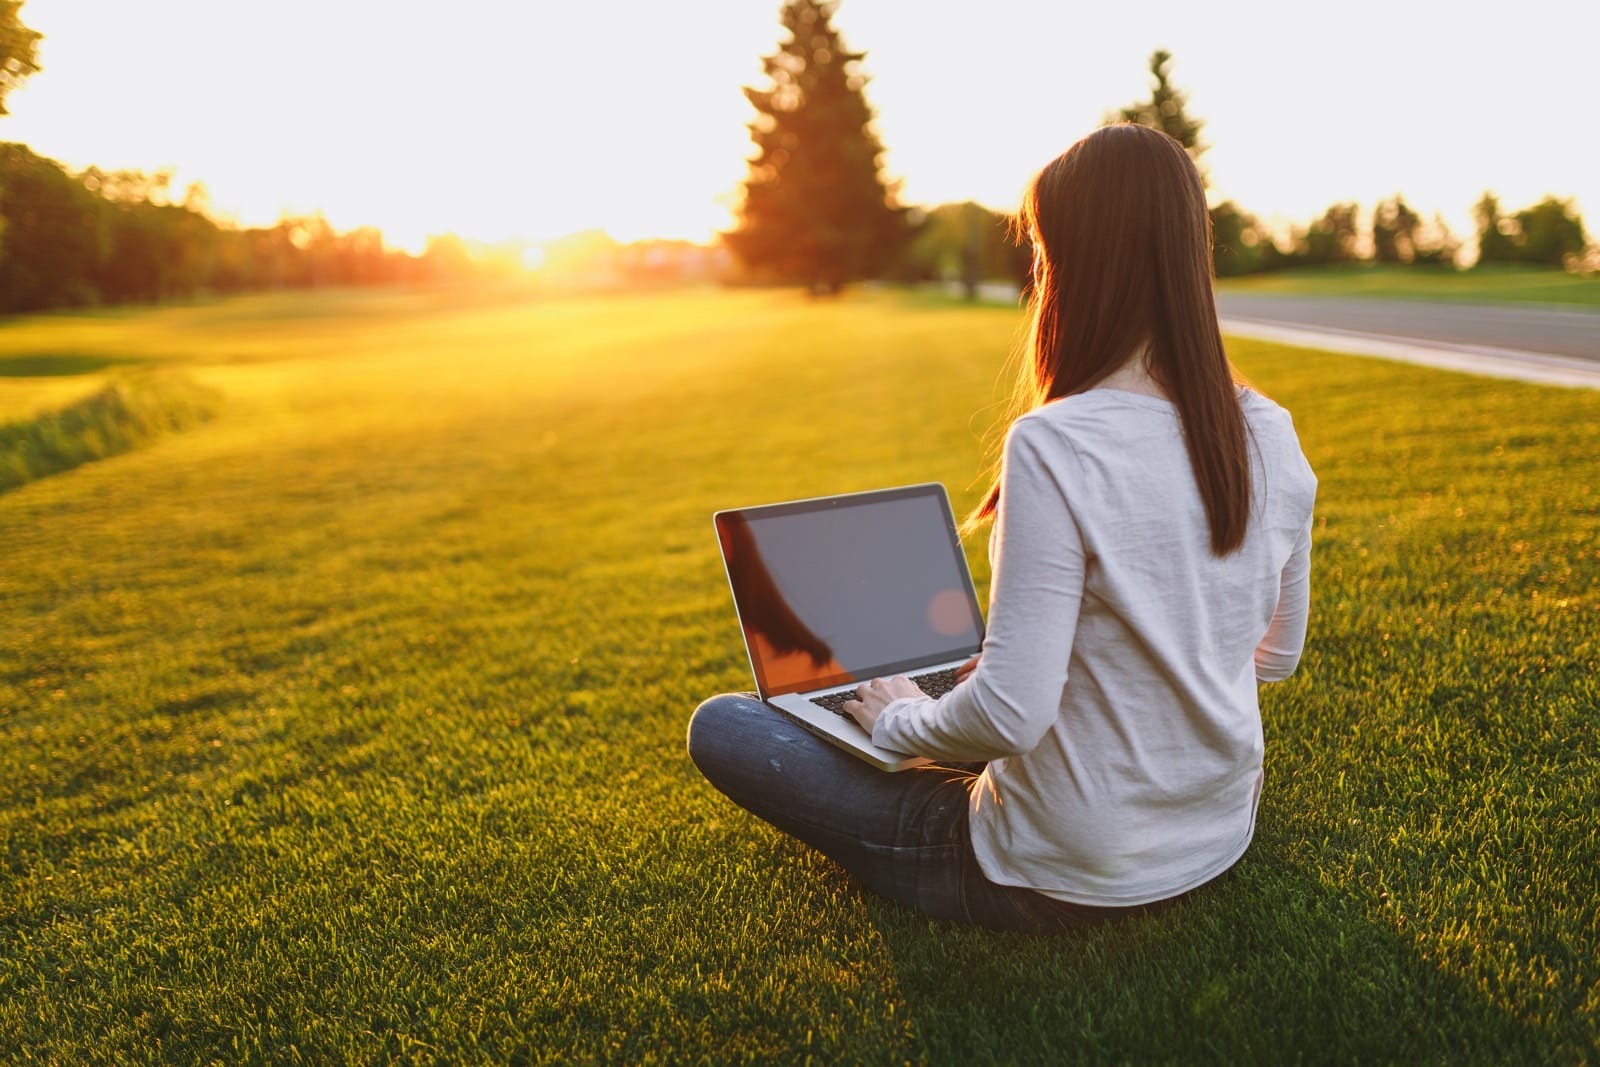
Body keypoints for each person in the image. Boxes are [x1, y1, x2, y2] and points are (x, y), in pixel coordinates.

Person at [686, 123, 1317, 932]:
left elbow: (1015, 718)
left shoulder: (1057, 443)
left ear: (1075, 268)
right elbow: (1277, 654)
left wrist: (896, 716)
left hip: (1057, 868)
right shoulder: (1272, 429)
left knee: (727, 724)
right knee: (973, 688)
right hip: (1218, 833)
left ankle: (898, 726)